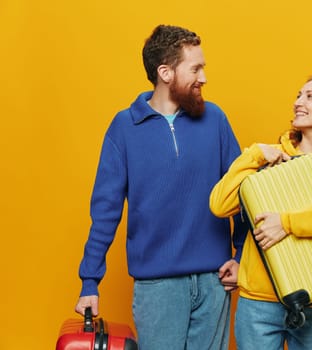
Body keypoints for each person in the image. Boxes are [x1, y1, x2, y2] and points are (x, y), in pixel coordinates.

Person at [75, 24, 246, 350]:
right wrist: (89, 282)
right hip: (157, 288)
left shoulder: (215, 119)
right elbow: (105, 210)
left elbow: (241, 191)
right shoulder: (124, 127)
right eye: (195, 68)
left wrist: (242, 256)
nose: (204, 77)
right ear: (165, 72)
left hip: (214, 283)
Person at [209, 71, 312, 350]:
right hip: (259, 304)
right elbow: (220, 204)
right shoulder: (270, 157)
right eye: (298, 95)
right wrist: (255, 155)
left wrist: (287, 223)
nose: (298, 102)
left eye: (309, 96)